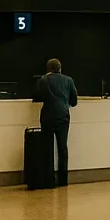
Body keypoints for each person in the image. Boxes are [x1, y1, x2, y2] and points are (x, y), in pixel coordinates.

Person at [33, 58, 77, 187]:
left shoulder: (42, 80)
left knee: (47, 147)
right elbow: (74, 101)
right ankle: (63, 181)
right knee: (62, 147)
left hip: (47, 116)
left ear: (48, 69)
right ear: (60, 68)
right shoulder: (69, 80)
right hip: (63, 116)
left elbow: (36, 97)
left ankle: (48, 180)